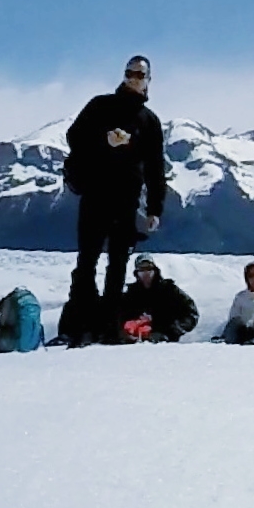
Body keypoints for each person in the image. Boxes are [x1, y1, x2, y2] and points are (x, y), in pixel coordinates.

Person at [59, 54, 168, 347]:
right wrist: (103, 140)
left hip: (127, 201)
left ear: (148, 80)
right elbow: (73, 137)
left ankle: (110, 328)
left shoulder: (150, 121)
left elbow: (157, 168)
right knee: (87, 262)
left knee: (118, 265)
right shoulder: (100, 105)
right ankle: (82, 328)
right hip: (95, 195)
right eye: (130, 73)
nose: (134, 78)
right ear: (123, 75)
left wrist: (156, 208)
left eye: (140, 75)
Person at [116, 253, 198, 342]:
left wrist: (171, 332)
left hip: (166, 346)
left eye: (149, 269)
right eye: (142, 269)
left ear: (155, 270)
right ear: (136, 273)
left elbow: (191, 314)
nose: (146, 273)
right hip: (134, 346)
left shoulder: (169, 290)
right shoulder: (131, 295)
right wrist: (123, 333)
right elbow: (120, 316)